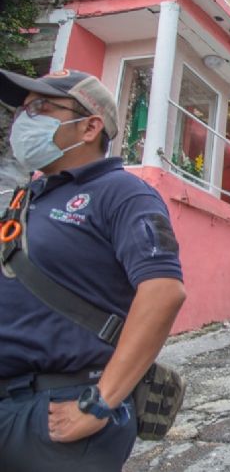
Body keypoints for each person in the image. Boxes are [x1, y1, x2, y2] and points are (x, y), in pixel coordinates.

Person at [0, 69, 186, 470]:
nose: (23, 119)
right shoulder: (28, 196)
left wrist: (100, 402)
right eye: (22, 109)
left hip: (57, 411)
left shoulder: (123, 192)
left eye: (41, 108)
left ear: (89, 127)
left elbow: (164, 291)